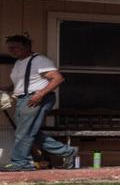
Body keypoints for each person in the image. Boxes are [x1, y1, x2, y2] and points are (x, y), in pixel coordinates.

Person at [3, 34, 77, 172]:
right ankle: (67, 151)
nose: (11, 50)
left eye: (15, 47)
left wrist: (40, 95)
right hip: (22, 98)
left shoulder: (39, 60)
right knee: (29, 132)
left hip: (36, 98)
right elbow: (24, 82)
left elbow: (58, 78)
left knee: (24, 132)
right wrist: (6, 89)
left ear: (26, 47)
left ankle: (20, 162)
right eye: (10, 48)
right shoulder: (19, 62)